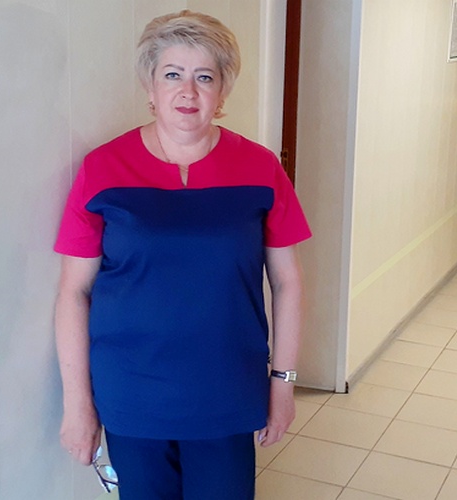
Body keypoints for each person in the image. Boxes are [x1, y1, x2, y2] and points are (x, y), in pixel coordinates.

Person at [53, 10, 311, 500]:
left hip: (227, 391)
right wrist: (77, 404)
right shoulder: (103, 169)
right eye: (172, 74)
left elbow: (288, 282)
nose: (187, 91)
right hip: (132, 393)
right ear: (150, 86)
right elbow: (73, 292)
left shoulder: (260, 169)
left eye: (204, 77)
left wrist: (283, 383)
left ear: (222, 91)